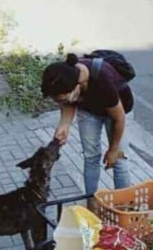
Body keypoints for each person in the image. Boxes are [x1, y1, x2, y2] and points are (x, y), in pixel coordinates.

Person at [41, 53, 133, 196]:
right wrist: (64, 125)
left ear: (76, 87)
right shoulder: (66, 78)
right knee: (91, 158)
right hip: (90, 111)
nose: (60, 103)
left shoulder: (103, 80)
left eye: (62, 99)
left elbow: (119, 118)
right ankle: (91, 202)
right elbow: (68, 103)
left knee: (119, 160)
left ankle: (125, 207)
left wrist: (113, 149)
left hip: (118, 113)